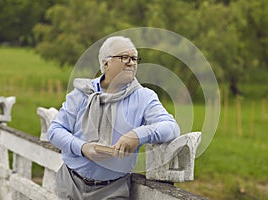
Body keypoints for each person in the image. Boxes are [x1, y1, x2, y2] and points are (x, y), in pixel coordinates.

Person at [48, 36, 180, 200]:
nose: (131, 62)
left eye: (134, 58)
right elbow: (54, 130)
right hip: (70, 183)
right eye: (124, 57)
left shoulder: (144, 97)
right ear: (106, 63)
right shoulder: (83, 92)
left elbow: (171, 127)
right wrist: (83, 148)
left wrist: (137, 135)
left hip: (113, 189)